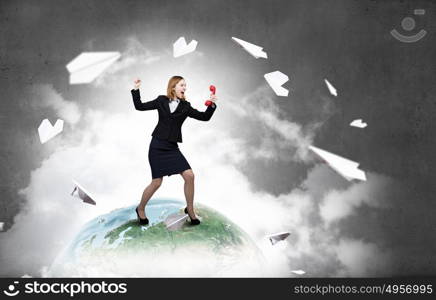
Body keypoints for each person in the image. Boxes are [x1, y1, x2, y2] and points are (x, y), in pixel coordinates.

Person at [131, 76, 217, 225]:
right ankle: (140, 209)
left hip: (172, 148)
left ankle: (190, 210)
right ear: (173, 87)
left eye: (185, 86)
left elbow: (204, 117)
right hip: (157, 146)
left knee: (189, 176)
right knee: (156, 182)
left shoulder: (186, 106)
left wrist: (212, 104)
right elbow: (139, 106)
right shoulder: (161, 100)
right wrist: (136, 89)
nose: (185, 88)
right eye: (182, 85)